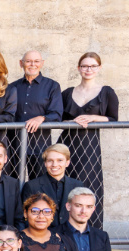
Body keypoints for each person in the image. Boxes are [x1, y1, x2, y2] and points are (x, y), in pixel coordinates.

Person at [59, 52, 118, 227]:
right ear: (79, 68)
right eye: (85, 66)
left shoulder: (106, 92)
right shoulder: (67, 93)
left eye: (92, 66)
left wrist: (92, 118)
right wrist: (70, 122)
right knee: (65, 186)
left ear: (99, 68)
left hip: (89, 146)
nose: (88, 69)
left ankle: (91, 232)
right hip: (68, 144)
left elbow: (114, 118)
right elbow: (58, 118)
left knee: (89, 186)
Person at [9, 51, 63, 178]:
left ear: (42, 63)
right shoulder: (12, 87)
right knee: (13, 184)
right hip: (14, 145)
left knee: (39, 185)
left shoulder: (52, 86)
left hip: (40, 145)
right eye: (28, 61)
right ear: (21, 63)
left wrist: (42, 118)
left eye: (36, 61)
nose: (32, 64)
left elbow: (57, 114)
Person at [21, 144, 84, 227]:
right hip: (42, 236)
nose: (54, 164)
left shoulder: (78, 185)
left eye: (60, 160)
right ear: (45, 163)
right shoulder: (31, 186)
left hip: (70, 237)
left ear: (67, 162)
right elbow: (25, 218)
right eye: (50, 160)